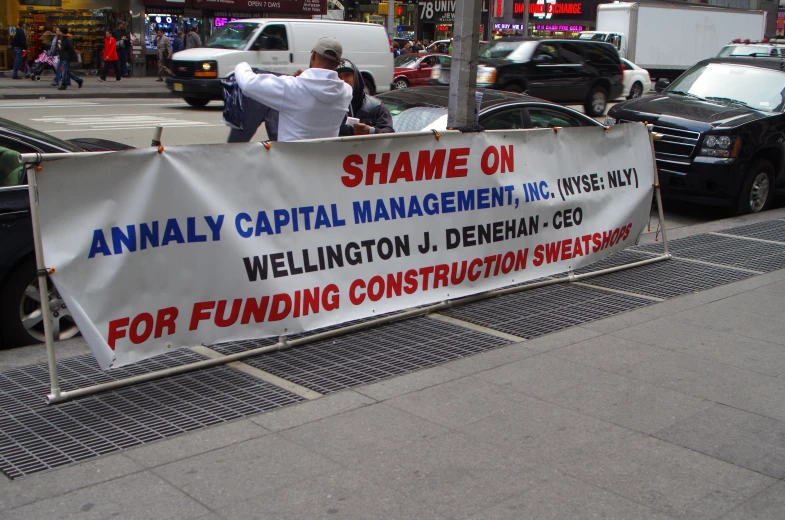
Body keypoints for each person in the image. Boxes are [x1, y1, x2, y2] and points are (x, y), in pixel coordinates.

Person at [234, 36, 352, 142]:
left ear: (314, 55)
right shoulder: (346, 92)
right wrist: (307, 75)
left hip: (290, 162)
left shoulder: (292, 88)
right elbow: (323, 81)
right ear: (337, 65)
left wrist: (241, 65)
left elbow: (248, 84)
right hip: (322, 162)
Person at [336, 59, 394, 136]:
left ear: (356, 77)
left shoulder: (376, 107)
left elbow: (390, 134)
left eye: (347, 75)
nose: (344, 80)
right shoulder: (328, 107)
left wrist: (370, 131)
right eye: (339, 76)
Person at [57, 26, 83, 90]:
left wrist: (75, 58)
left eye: (60, 31)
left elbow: (71, 49)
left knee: (64, 71)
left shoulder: (68, 39)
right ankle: (78, 80)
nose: (59, 32)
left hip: (66, 57)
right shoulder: (64, 39)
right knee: (66, 71)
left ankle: (64, 84)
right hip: (63, 57)